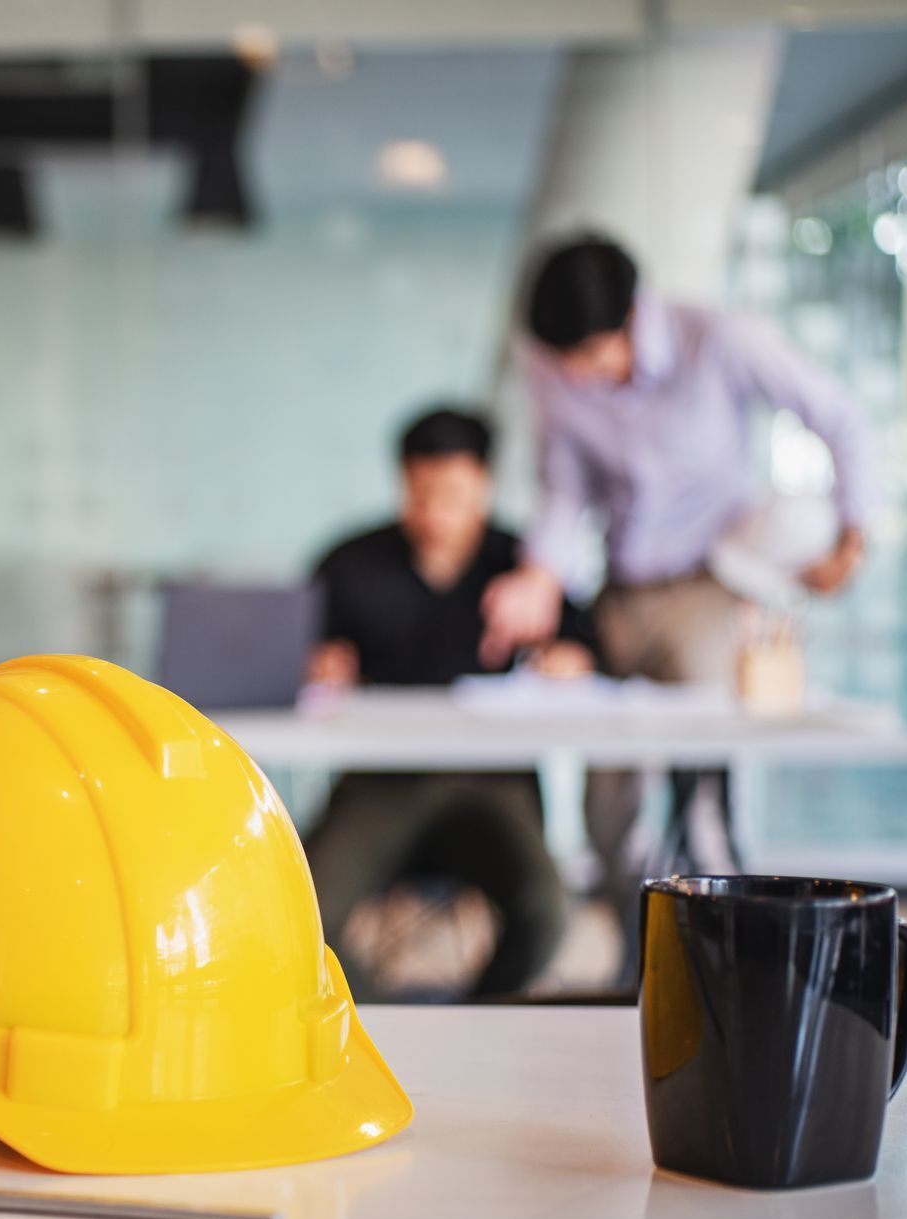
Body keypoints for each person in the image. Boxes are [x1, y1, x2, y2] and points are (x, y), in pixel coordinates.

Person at [479, 234, 873, 936]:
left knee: (704, 798)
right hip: (620, 594)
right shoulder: (557, 371)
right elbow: (563, 490)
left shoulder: (719, 340)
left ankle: (726, 950)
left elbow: (839, 416)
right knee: (608, 802)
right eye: (566, 363)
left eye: (591, 357)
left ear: (632, 315)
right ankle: (641, 949)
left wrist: (852, 535)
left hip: (708, 588)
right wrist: (538, 578)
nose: (580, 377)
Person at [302, 408, 593, 999]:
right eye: (419, 493)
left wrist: (569, 663)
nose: (433, 514)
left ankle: (480, 1017)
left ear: (485, 484)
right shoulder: (350, 564)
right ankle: (384, 1030)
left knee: (548, 912)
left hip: (494, 784)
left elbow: (589, 651)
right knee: (300, 914)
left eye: (453, 495)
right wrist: (320, 665)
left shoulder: (523, 567)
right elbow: (292, 655)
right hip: (381, 781)